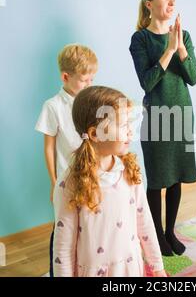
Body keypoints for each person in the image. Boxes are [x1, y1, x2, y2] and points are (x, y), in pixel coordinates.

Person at [53, 86, 166, 277]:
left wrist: (157, 266)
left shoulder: (130, 171)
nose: (130, 131)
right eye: (123, 125)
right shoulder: (70, 183)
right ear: (95, 134)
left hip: (130, 269)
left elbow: (144, 222)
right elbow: (63, 249)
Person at [129, 0, 196, 256]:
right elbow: (147, 82)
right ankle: (156, 235)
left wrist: (181, 47)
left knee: (176, 178)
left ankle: (170, 231)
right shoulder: (141, 39)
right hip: (157, 118)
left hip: (182, 115)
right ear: (149, 4)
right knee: (158, 179)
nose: (171, 3)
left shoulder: (186, 36)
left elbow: (193, 78)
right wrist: (169, 49)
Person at [35, 44, 98, 275]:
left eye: (92, 79)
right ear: (65, 77)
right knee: (62, 231)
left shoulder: (90, 102)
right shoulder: (53, 106)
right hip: (66, 180)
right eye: (85, 80)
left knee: (88, 228)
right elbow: (49, 147)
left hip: (91, 176)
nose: (89, 85)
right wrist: (54, 182)